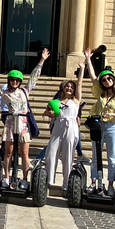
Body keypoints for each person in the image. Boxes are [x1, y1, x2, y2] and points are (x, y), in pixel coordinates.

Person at [0, 49, 50, 189]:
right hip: (11, 124)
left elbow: (34, 78)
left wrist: (42, 61)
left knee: (24, 154)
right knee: (8, 153)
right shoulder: (5, 93)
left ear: (20, 82)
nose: (14, 82)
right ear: (9, 81)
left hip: (23, 125)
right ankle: (6, 176)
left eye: (17, 80)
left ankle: (24, 179)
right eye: (12, 80)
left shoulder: (25, 91)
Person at [85, 48, 115, 194]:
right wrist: (88, 60)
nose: (107, 81)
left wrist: (112, 114)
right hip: (99, 126)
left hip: (112, 126)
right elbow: (92, 77)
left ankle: (110, 185)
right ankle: (94, 182)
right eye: (104, 80)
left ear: (113, 80)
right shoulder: (100, 93)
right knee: (95, 155)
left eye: (109, 78)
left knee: (111, 157)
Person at [41, 61, 85, 190]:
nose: (70, 89)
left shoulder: (75, 101)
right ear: (63, 88)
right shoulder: (56, 102)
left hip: (71, 126)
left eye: (72, 87)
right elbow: (48, 113)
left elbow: (80, 84)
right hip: (58, 125)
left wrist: (82, 69)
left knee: (68, 155)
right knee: (51, 153)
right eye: (67, 87)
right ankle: (49, 180)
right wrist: (49, 113)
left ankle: (66, 182)